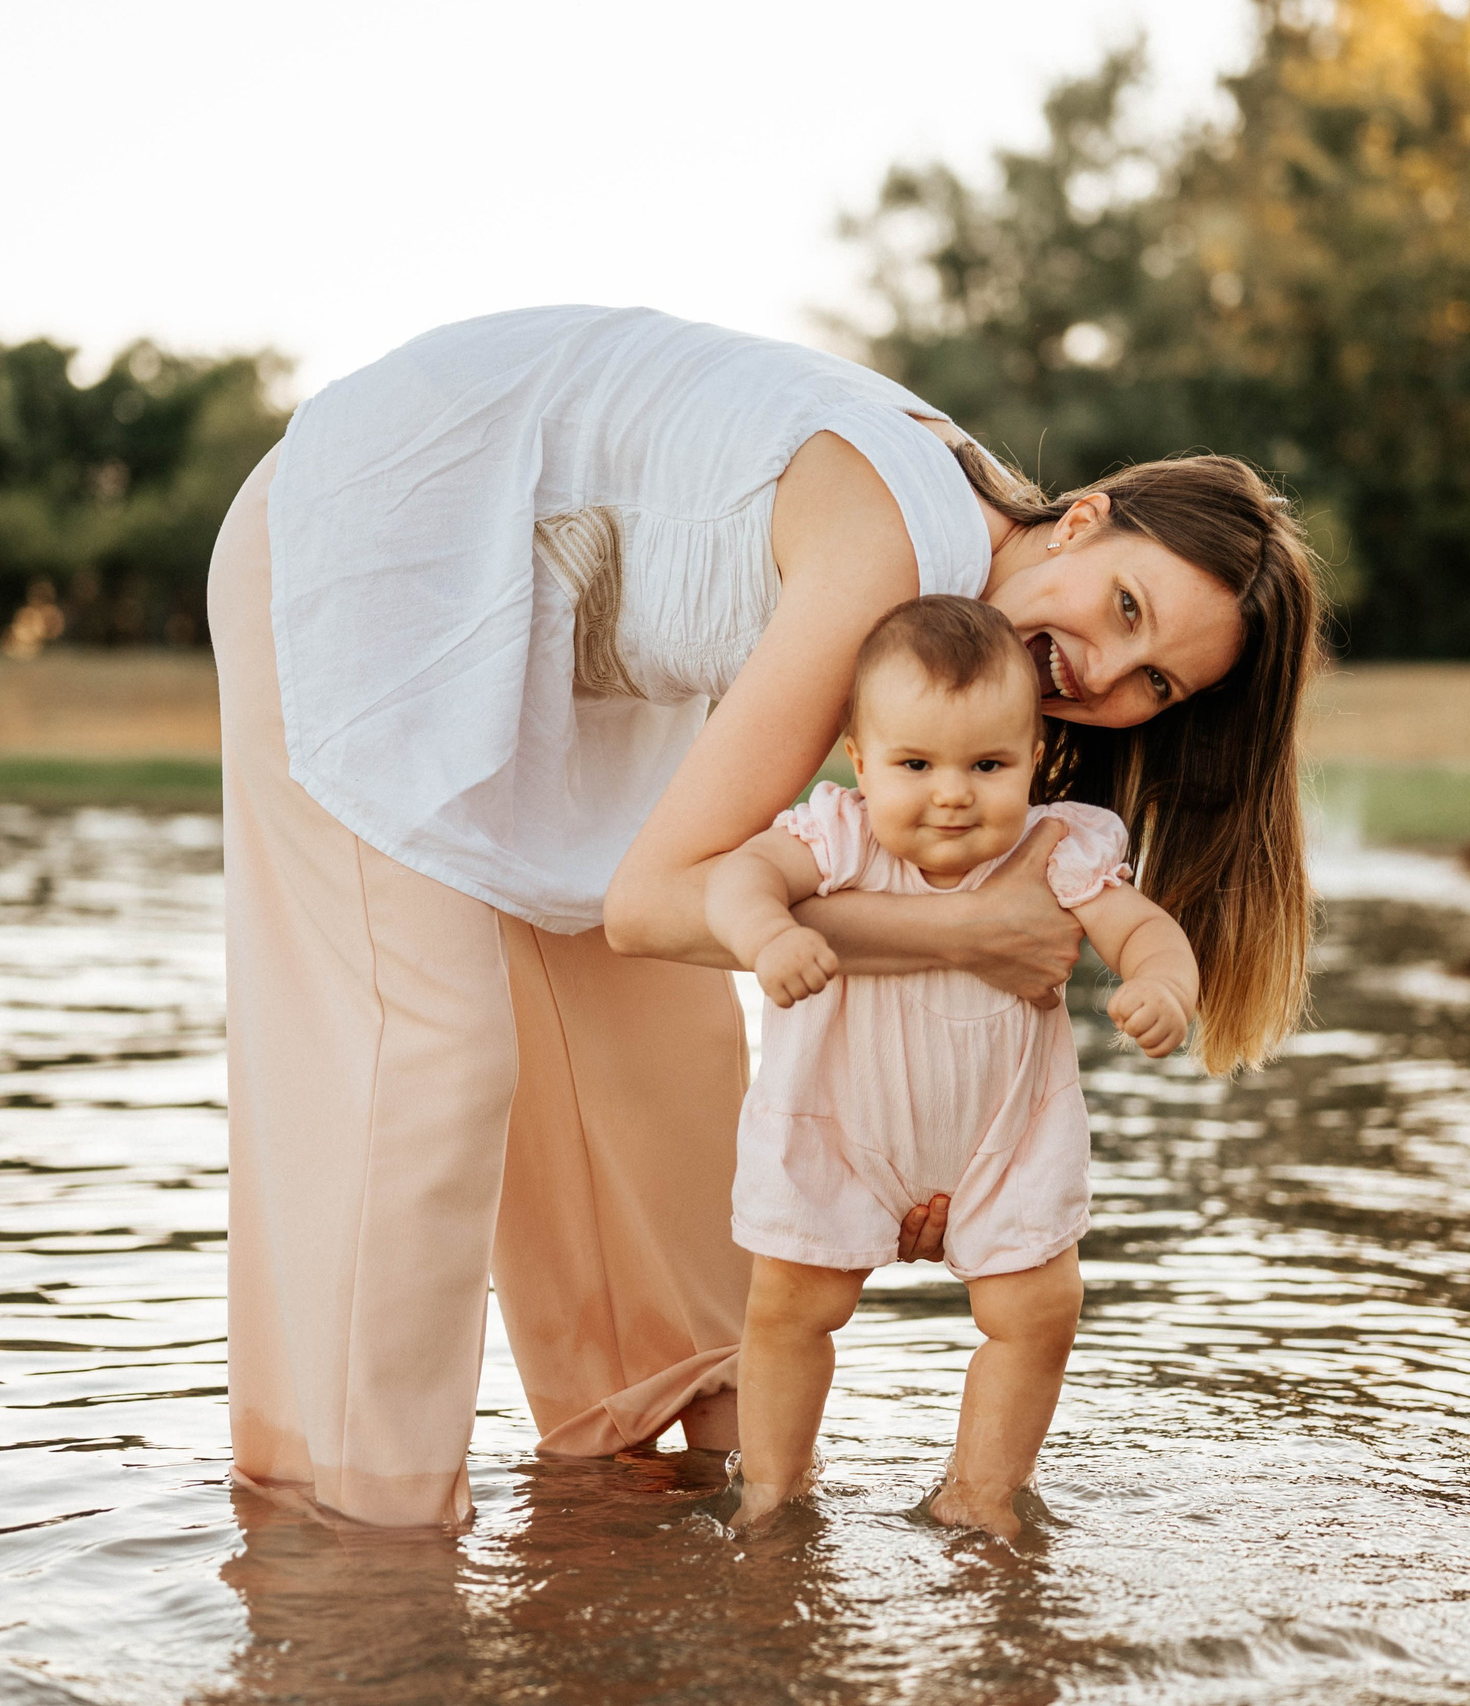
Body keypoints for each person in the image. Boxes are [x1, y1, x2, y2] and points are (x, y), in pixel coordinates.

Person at [207, 304, 1320, 1529]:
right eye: (1125, 608)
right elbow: (654, 903)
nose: (1102, 673)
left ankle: (670, 1489)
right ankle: (356, 1529)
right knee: (430, 1054)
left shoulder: (949, 649)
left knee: (659, 1050)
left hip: (545, 618)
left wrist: (945, 1156)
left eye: (1154, 680)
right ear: (1085, 517)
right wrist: (961, 937)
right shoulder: (896, 556)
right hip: (375, 537)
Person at [703, 595, 1201, 1536]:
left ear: (1033, 761)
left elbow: (1143, 928)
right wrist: (768, 933)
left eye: (987, 765)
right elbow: (737, 877)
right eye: (916, 764)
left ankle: (982, 1492)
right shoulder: (840, 837)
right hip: (839, 1134)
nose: (952, 793)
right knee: (787, 1311)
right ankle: (771, 1487)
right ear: (861, 760)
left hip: (1005, 1144)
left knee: (1041, 1312)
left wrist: (1164, 985)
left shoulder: (1055, 850)